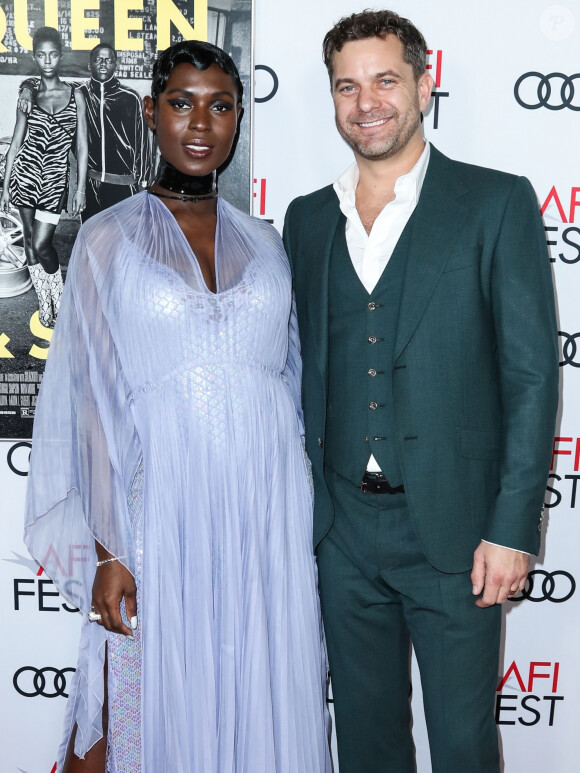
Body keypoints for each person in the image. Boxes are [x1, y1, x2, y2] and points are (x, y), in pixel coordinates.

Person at [24, 40, 331, 773]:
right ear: (151, 112)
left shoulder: (268, 242)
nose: (201, 123)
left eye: (220, 105)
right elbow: (92, 406)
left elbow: (290, 386)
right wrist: (109, 549)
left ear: (238, 120)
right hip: (157, 513)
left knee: (252, 692)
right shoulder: (108, 237)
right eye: (182, 102)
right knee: (124, 702)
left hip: (265, 519)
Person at [283, 9, 558, 773]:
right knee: (367, 747)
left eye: (384, 80)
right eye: (347, 86)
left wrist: (512, 529)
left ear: (424, 85)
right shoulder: (305, 219)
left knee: (465, 747)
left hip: (458, 535)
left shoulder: (494, 203)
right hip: (341, 534)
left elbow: (532, 376)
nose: (366, 102)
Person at [0, 26, 87, 327]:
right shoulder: (29, 95)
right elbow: (16, 142)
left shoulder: (77, 94)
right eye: (41, 55)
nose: (47, 60)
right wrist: (5, 187)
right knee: (28, 245)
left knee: (41, 245)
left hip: (53, 183)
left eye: (52, 54)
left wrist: (80, 190)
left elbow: (83, 147)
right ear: (35, 58)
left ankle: (59, 301)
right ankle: (45, 307)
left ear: (60, 56)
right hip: (25, 177)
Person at [18, 42, 153, 223]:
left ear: (116, 65)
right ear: (90, 65)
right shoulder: (79, 93)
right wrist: (26, 88)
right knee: (92, 239)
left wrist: (144, 183)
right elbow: (47, 82)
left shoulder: (131, 97)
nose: (104, 64)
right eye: (98, 59)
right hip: (91, 186)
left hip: (123, 186)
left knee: (124, 242)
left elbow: (143, 142)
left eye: (109, 60)